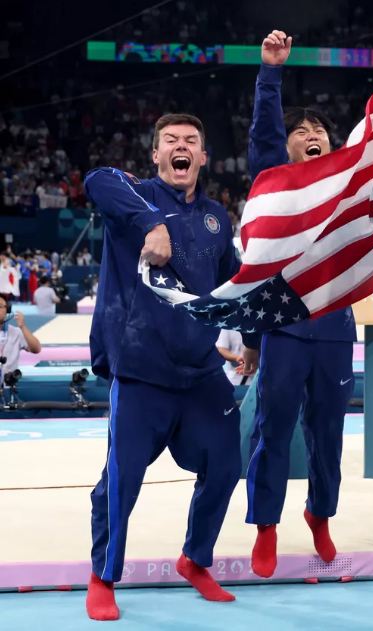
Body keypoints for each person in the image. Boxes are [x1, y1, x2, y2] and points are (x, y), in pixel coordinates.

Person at [84, 113, 243, 621]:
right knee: (122, 479)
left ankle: (196, 560)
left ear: (202, 158)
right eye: (170, 141)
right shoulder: (132, 194)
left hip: (199, 372)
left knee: (226, 463)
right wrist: (150, 222)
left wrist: (255, 338)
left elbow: (235, 285)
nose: (181, 147)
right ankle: (103, 576)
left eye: (191, 142)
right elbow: (96, 179)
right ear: (155, 155)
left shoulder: (218, 217)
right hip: (140, 370)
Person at [240, 30, 355, 577]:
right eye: (302, 131)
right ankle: (266, 526)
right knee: (274, 428)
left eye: (320, 131)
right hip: (283, 325)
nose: (312, 135)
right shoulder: (276, 180)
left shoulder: (350, 188)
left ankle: (320, 515)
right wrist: (270, 74)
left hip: (335, 327)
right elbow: (264, 132)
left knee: (328, 433)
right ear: (287, 147)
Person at [0, 296, 41, 379]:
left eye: (0, 306)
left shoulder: (16, 332)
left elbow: (36, 349)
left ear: (7, 310)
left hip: (8, 385)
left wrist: (22, 326)